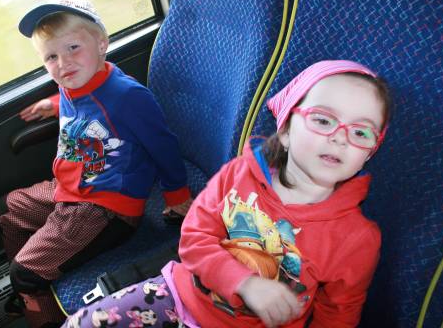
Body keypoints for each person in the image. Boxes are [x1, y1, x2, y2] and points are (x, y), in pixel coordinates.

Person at [60, 59, 392, 328]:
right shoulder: (239, 174)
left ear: (369, 153)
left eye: (361, 132)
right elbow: (193, 238)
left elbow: (338, 314)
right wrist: (244, 283)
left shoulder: (357, 240)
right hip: (180, 296)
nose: (340, 137)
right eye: (323, 120)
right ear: (286, 131)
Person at [0, 0, 193, 328]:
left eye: (73, 48)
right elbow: (83, 104)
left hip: (103, 207)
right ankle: (35, 287)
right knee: (8, 209)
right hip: (71, 187)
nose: (63, 63)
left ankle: (37, 295)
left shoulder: (128, 97)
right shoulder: (75, 83)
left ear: (102, 43)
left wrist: (177, 196)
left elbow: (163, 144)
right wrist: (53, 105)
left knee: (24, 273)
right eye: (51, 57)